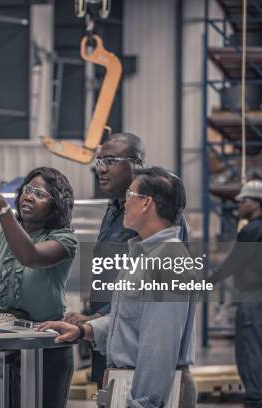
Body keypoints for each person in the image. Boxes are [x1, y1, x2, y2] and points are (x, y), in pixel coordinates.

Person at [39, 167, 197, 408]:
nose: (124, 203)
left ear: (146, 203)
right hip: (128, 386)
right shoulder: (144, 254)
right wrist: (84, 331)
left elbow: (159, 346)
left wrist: (142, 403)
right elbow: (131, 320)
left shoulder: (169, 261)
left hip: (147, 395)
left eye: (130, 195)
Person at [62, 132, 189, 388]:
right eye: (99, 162)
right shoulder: (114, 210)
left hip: (138, 355)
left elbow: (159, 338)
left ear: (137, 164)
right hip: (111, 341)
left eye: (110, 160)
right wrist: (90, 322)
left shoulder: (163, 230)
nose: (102, 169)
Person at [0, 167, 78, 408]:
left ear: (55, 204)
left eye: (40, 194)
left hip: (46, 346)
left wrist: (1, 206)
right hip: (2, 344)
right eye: (28, 190)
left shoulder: (64, 239)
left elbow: (31, 257)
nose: (29, 196)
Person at [211, 180, 262, 408]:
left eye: (243, 200)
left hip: (253, 299)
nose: (239, 204)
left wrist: (208, 281)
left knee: (249, 351)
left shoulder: (250, 231)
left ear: (255, 204)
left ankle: (255, 400)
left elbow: (234, 262)